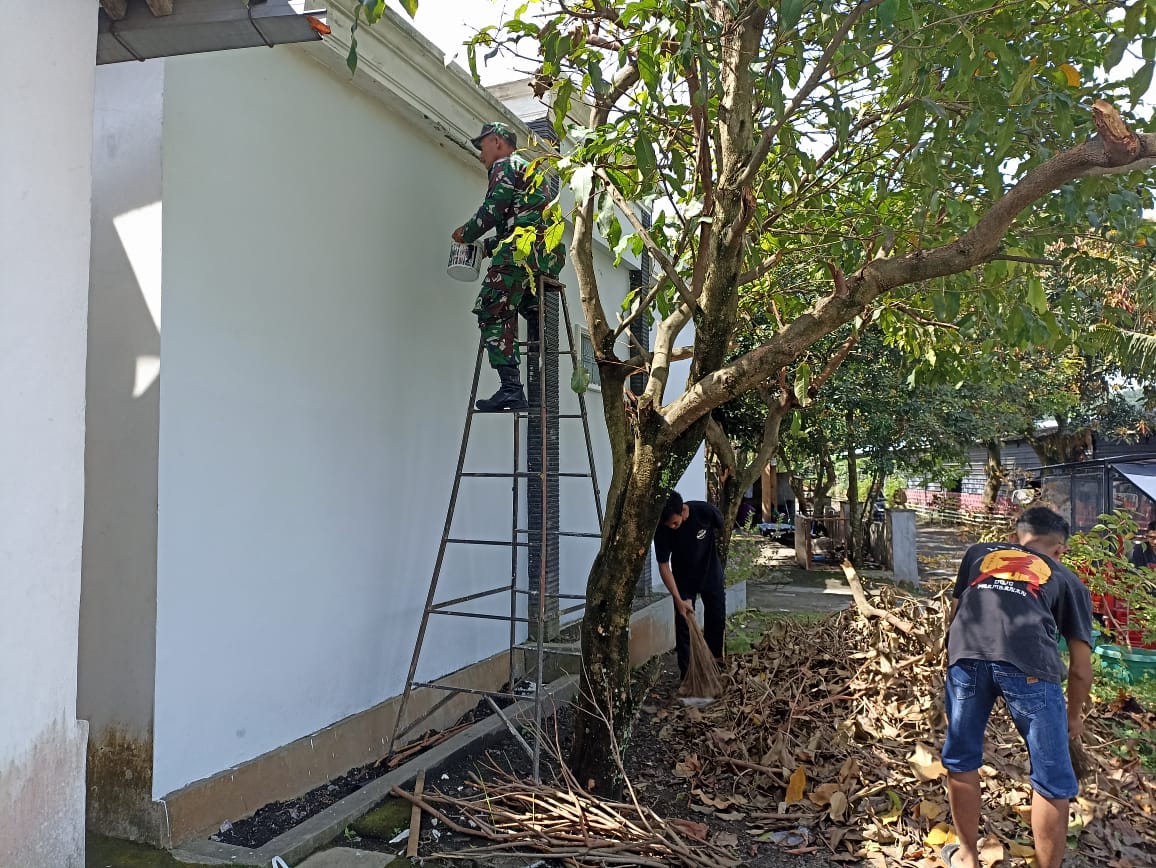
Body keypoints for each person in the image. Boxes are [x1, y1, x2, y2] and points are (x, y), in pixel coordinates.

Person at [940, 506, 1093, 868]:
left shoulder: (979, 554)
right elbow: (1082, 670)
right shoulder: (1069, 580)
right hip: (1032, 670)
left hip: (967, 658)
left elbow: (958, 613)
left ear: (1013, 538)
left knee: (962, 759)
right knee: (1052, 778)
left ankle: (968, 856)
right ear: (1060, 550)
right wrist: (1073, 718)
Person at [452, 121, 563, 412]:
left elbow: (494, 208)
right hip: (543, 257)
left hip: (520, 254)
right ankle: (535, 324)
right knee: (522, 306)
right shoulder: (529, 170)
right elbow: (517, 222)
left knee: (492, 308)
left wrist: (467, 233)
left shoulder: (505, 165)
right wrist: (486, 248)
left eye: (483, 145)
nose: (480, 155)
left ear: (498, 142)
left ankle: (512, 389)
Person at [653, 491, 726, 680]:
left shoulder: (705, 512)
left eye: (675, 523)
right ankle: (687, 675)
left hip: (710, 573)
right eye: (668, 525)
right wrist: (678, 599)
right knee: (685, 624)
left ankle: (715, 667)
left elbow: (722, 528)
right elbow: (663, 565)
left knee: (716, 619)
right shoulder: (663, 529)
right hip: (683, 579)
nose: (672, 527)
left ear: (684, 510)